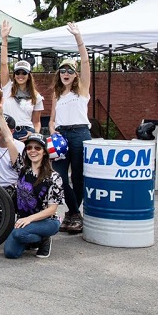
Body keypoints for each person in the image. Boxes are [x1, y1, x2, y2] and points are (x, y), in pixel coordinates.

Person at [50, 22, 92, 234]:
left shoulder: (82, 89)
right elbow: (52, 119)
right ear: (59, 74)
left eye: (70, 70)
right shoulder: (57, 94)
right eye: (62, 70)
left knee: (78, 177)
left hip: (80, 133)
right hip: (62, 136)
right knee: (58, 176)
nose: (66, 73)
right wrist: (52, 132)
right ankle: (74, 213)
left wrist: (78, 38)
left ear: (75, 75)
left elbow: (85, 61)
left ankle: (72, 215)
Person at [3, 133, 64, 259]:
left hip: (47, 221)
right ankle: (34, 240)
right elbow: (9, 139)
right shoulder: (23, 169)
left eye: (37, 148)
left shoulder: (54, 177)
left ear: (44, 152)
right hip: (24, 221)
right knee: (10, 253)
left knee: (19, 234)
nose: (33, 151)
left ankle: (44, 239)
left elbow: (52, 209)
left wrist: (28, 219)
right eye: (29, 148)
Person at [0, 21, 43, 139]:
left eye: (24, 73)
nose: (20, 75)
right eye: (17, 72)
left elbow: (37, 121)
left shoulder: (36, 96)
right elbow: (3, 64)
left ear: (29, 75)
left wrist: (34, 134)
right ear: (13, 75)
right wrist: (4, 40)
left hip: (27, 132)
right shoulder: (7, 87)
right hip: (8, 130)